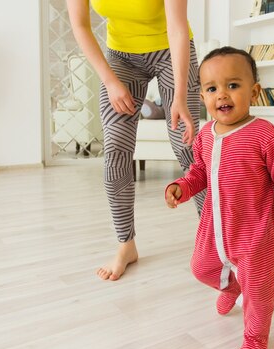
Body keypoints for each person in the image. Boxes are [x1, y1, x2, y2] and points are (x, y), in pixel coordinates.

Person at [164, 46, 274, 349]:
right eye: (213, 89)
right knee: (201, 268)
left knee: (258, 291)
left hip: (257, 231)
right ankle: (231, 285)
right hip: (215, 228)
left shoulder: (265, 135)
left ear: (253, 91)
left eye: (233, 85)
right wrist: (181, 188)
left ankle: (256, 337)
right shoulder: (205, 135)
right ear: (203, 97)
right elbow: (198, 172)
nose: (222, 95)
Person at [66, 0, 205, 281]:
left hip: (171, 49)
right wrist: (110, 81)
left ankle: (215, 237)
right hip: (122, 56)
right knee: (116, 148)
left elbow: (177, 28)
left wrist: (179, 98)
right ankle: (126, 244)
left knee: (186, 145)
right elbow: (80, 26)